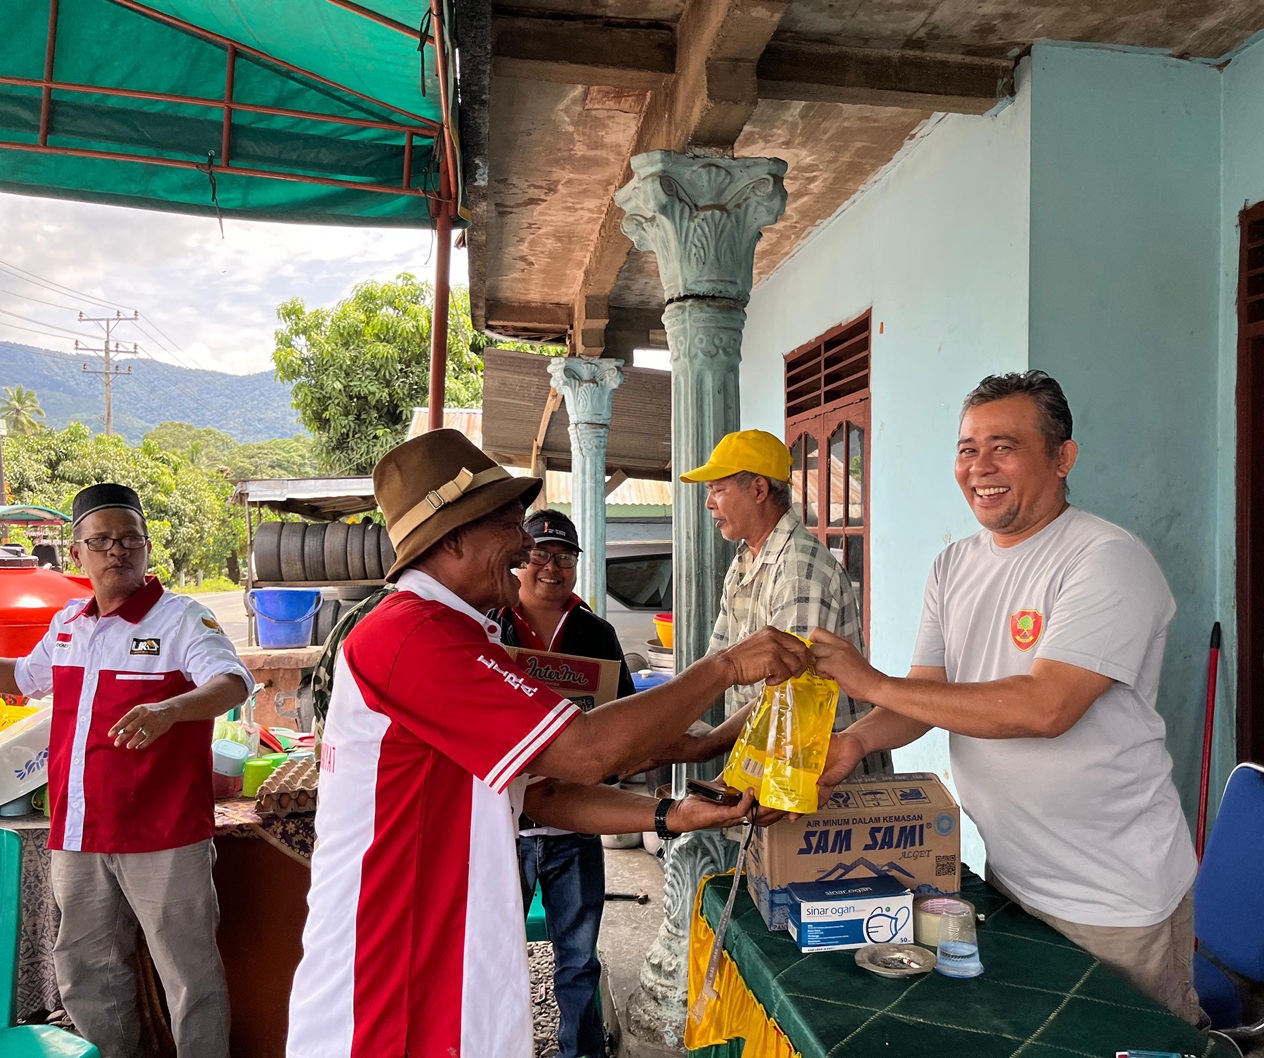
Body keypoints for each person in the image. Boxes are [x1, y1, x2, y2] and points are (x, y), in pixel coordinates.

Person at [285, 430, 810, 1058]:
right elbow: (584, 749)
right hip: (391, 985)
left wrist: (669, 814)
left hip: (441, 963)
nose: (527, 544)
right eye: (508, 522)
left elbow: (544, 793)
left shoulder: (459, 634)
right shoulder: (412, 636)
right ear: (452, 539)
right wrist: (723, 668)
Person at [810, 371, 1200, 1023]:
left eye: (1003, 446)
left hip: (1112, 901)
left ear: (1061, 457)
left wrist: (867, 682)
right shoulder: (953, 565)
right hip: (1012, 880)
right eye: (967, 448)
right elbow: (925, 694)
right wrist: (856, 741)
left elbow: (1045, 707)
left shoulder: (1104, 559)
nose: (979, 467)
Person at [0, 483, 253, 1058]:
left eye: (130, 539)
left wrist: (170, 709)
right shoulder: (68, 623)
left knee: (188, 975)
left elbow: (232, 681)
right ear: (76, 552)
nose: (118, 551)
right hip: (78, 832)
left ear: (145, 547)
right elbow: (21, 678)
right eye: (103, 540)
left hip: (163, 834)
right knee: (87, 971)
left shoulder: (182, 618)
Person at [489, 508, 634, 1058]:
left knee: (577, 959)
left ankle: (582, 1052)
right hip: (506, 827)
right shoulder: (489, 627)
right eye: (540, 555)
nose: (553, 567)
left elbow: (624, 713)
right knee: (497, 958)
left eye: (565, 557)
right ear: (519, 563)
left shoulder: (596, 631)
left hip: (575, 825)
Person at [680, 429, 889, 774]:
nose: (709, 503)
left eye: (718, 490)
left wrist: (707, 746)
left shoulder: (799, 570)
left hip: (823, 776)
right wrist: (666, 723)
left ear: (759, 490)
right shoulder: (744, 561)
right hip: (777, 764)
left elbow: (787, 697)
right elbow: (716, 660)